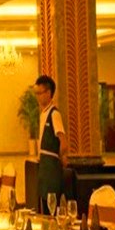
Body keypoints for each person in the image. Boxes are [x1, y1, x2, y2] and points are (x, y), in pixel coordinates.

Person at [34, 75, 67, 215]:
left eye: (40, 93)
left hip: (51, 166)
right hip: (43, 165)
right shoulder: (43, 114)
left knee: (51, 205)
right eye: (36, 93)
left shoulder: (54, 114)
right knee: (43, 204)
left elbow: (63, 141)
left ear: (48, 93)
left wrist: (58, 159)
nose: (37, 97)